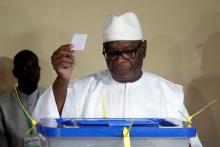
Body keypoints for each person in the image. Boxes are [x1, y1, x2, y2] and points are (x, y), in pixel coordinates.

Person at [33, 12, 202, 147]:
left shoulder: (167, 93)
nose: (120, 59)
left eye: (128, 51)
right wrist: (62, 79)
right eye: (112, 53)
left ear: (143, 49)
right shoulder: (82, 89)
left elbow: (189, 142)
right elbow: (45, 127)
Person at [0, 50, 44, 147]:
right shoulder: (2, 103)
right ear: (15, 73)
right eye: (24, 67)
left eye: (34, 67)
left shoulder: (51, 97)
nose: (31, 72)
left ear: (39, 69)